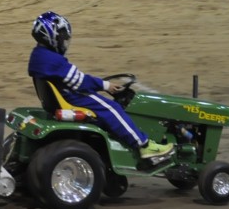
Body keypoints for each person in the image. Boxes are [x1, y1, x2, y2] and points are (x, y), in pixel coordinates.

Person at [27, 11, 174, 160]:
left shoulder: (38, 55)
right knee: (112, 108)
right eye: (62, 37)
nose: (64, 41)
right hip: (73, 97)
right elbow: (81, 82)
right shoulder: (53, 60)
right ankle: (144, 145)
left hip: (61, 96)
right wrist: (106, 85)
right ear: (51, 36)